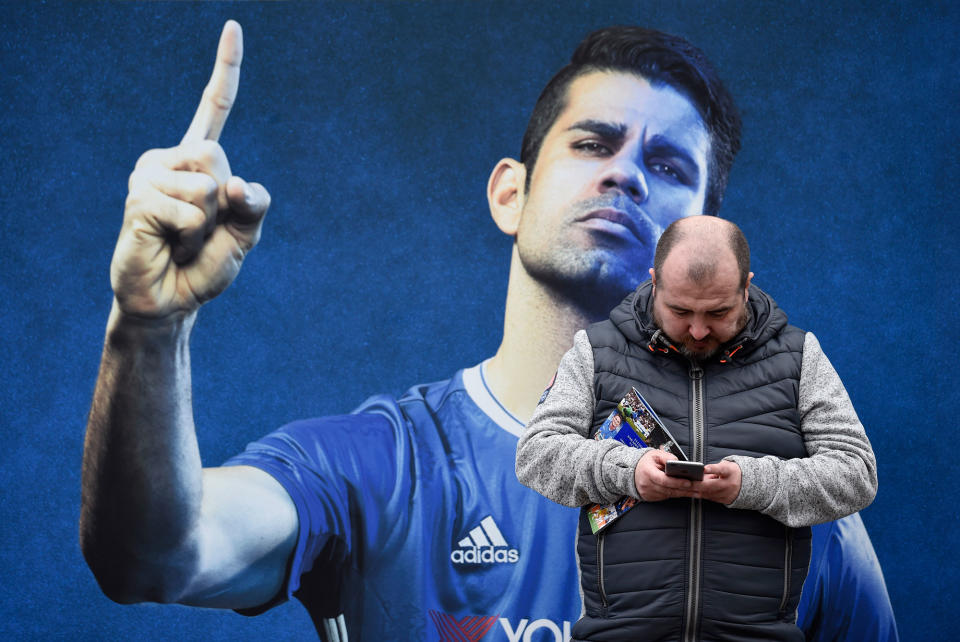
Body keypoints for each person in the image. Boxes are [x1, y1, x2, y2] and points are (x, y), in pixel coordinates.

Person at [79, 20, 896, 642]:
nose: (625, 172)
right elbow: (154, 555)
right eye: (593, 142)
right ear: (510, 193)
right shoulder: (377, 466)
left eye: (670, 166)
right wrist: (148, 325)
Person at [516, 216, 878, 640]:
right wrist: (627, 472)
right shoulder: (596, 350)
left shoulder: (800, 357)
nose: (699, 330)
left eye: (719, 312)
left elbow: (856, 473)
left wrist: (752, 484)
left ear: (747, 286)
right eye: (680, 311)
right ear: (654, 282)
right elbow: (536, 455)